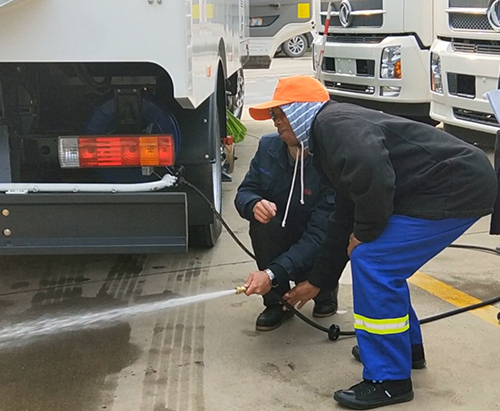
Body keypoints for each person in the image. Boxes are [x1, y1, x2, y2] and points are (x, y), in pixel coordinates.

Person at [247, 75, 497, 409]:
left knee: (373, 261)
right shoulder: (325, 138)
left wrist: (363, 236)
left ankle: (390, 379)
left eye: (280, 113)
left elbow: (375, 181)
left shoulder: (334, 126)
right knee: (380, 260)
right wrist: (319, 281)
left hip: (455, 186)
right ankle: (405, 350)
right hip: (447, 184)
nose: (276, 123)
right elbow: (343, 214)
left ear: (302, 110)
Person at [235, 128, 338, 331]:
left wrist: (314, 280)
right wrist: (253, 203)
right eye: (275, 115)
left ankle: (325, 290)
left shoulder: (330, 159)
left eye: (285, 116)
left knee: (331, 239)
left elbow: (319, 234)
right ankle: (276, 303)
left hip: (315, 237)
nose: (279, 122)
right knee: (262, 224)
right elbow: (246, 190)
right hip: (282, 231)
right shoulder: (268, 147)